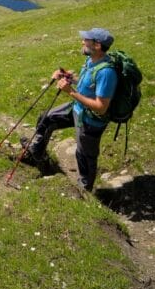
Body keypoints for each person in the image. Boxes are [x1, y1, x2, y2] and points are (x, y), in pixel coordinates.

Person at [21, 28, 118, 191]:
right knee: (47, 118)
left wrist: (70, 92)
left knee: (84, 155)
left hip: (90, 120)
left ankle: (84, 190)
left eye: (86, 40)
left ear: (98, 45)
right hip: (78, 109)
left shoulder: (107, 73)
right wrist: (69, 78)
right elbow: (87, 84)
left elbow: (101, 108)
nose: (82, 42)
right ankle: (36, 154)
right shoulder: (91, 60)